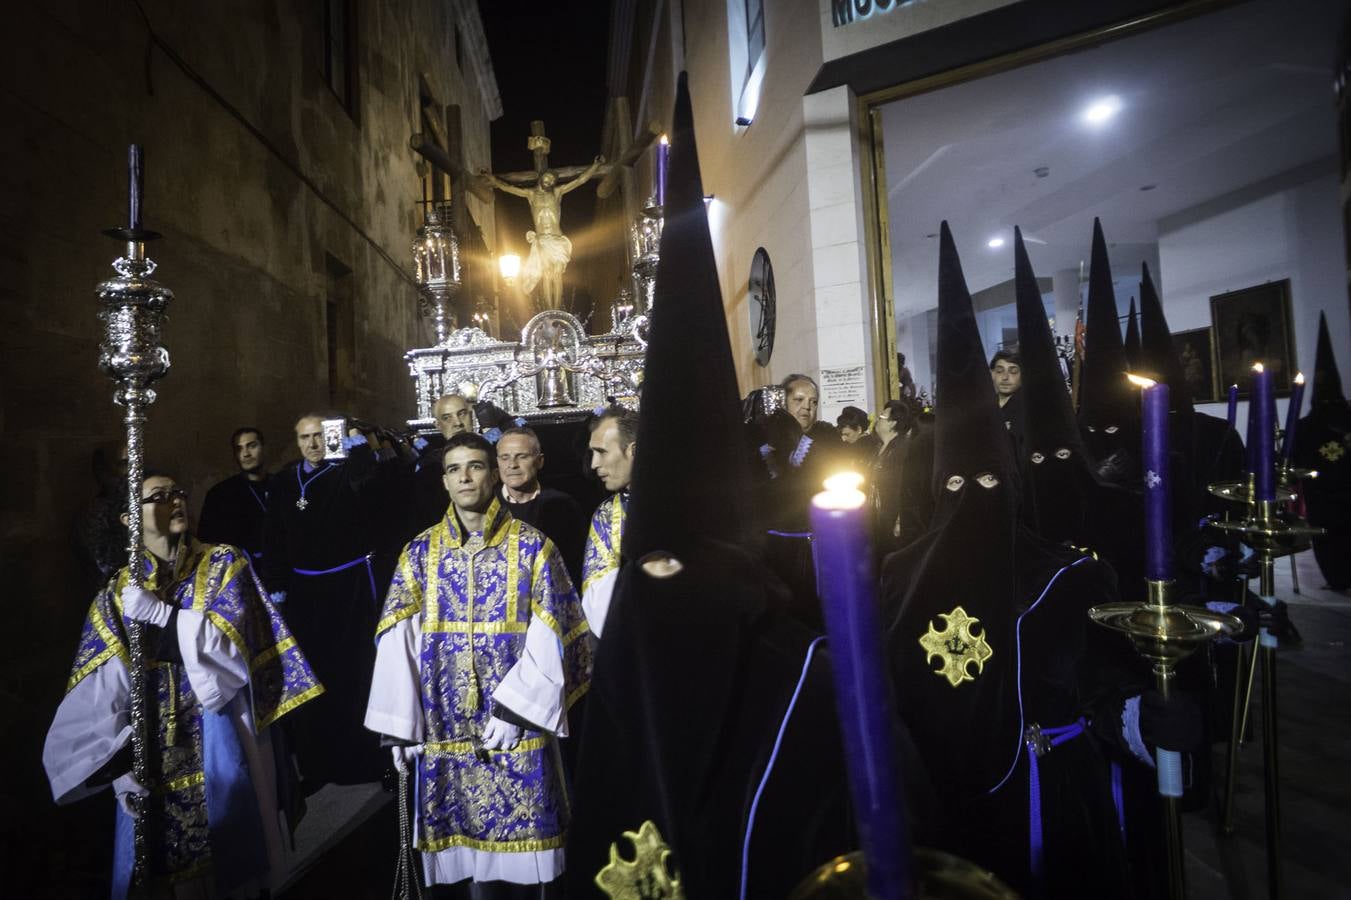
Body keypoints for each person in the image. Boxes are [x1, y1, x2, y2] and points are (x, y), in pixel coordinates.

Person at [566, 77, 866, 897]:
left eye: (684, 566)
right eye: (650, 568)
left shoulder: (801, 672)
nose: (665, 584)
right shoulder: (628, 663)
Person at [880, 224, 1186, 899]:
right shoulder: (898, 576)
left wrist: (1141, 716)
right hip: (938, 805)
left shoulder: (1068, 574)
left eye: (987, 485)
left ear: (1011, 487)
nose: (969, 501)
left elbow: (1106, 685)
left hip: (1047, 794)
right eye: (953, 488)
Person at [45, 471, 322, 898]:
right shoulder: (117, 594)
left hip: (223, 735)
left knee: (239, 869)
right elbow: (103, 691)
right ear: (127, 519)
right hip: (153, 754)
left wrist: (164, 616)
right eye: (159, 496)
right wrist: (119, 770)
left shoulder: (224, 563)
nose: (176, 501)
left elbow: (231, 660)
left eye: (178, 492)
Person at [365, 431, 591, 893]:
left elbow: (554, 635)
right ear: (444, 482)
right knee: (469, 869)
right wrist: (400, 726)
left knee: (531, 863)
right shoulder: (420, 553)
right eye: (454, 469)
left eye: (475, 466)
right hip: (443, 730)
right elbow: (396, 641)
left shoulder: (533, 548)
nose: (465, 477)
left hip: (515, 729)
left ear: (492, 474)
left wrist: (517, 709)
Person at [260, 413, 389, 791]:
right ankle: (318, 763)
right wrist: (277, 587)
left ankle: (369, 760)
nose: (313, 444)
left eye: (319, 435)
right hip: (305, 592)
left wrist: (357, 445)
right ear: (296, 441)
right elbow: (274, 538)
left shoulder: (347, 472)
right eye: (305, 438)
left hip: (349, 589)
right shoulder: (285, 481)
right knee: (313, 676)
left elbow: (372, 486)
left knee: (356, 672)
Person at [480, 156, 605, 308]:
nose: (550, 182)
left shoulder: (557, 192)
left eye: (552, 180)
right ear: (541, 178)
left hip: (557, 239)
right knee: (547, 274)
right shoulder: (531, 195)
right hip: (542, 239)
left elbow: (580, 181)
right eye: (547, 178)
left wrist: (595, 166)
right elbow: (508, 188)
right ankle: (549, 309)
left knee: (557, 274)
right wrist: (491, 178)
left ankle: (557, 308)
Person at [496, 426, 586, 586]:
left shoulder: (564, 506)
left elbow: (577, 564)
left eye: (521, 456)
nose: (512, 465)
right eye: (504, 457)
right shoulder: (487, 507)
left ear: (539, 461)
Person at [580, 405, 638, 637]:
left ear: (634, 450)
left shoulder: (688, 502)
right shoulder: (607, 516)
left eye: (601, 452)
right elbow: (598, 606)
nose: (594, 464)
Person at [197, 426, 273, 563]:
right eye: (239, 449)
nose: (245, 454)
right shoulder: (219, 494)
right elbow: (207, 543)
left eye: (252, 446)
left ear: (264, 448)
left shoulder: (282, 485)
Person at [872, 399, 914, 547]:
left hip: (892, 520)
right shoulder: (877, 447)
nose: (877, 419)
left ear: (893, 423)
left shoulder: (902, 450)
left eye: (882, 417)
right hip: (876, 519)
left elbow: (907, 487)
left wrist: (899, 520)